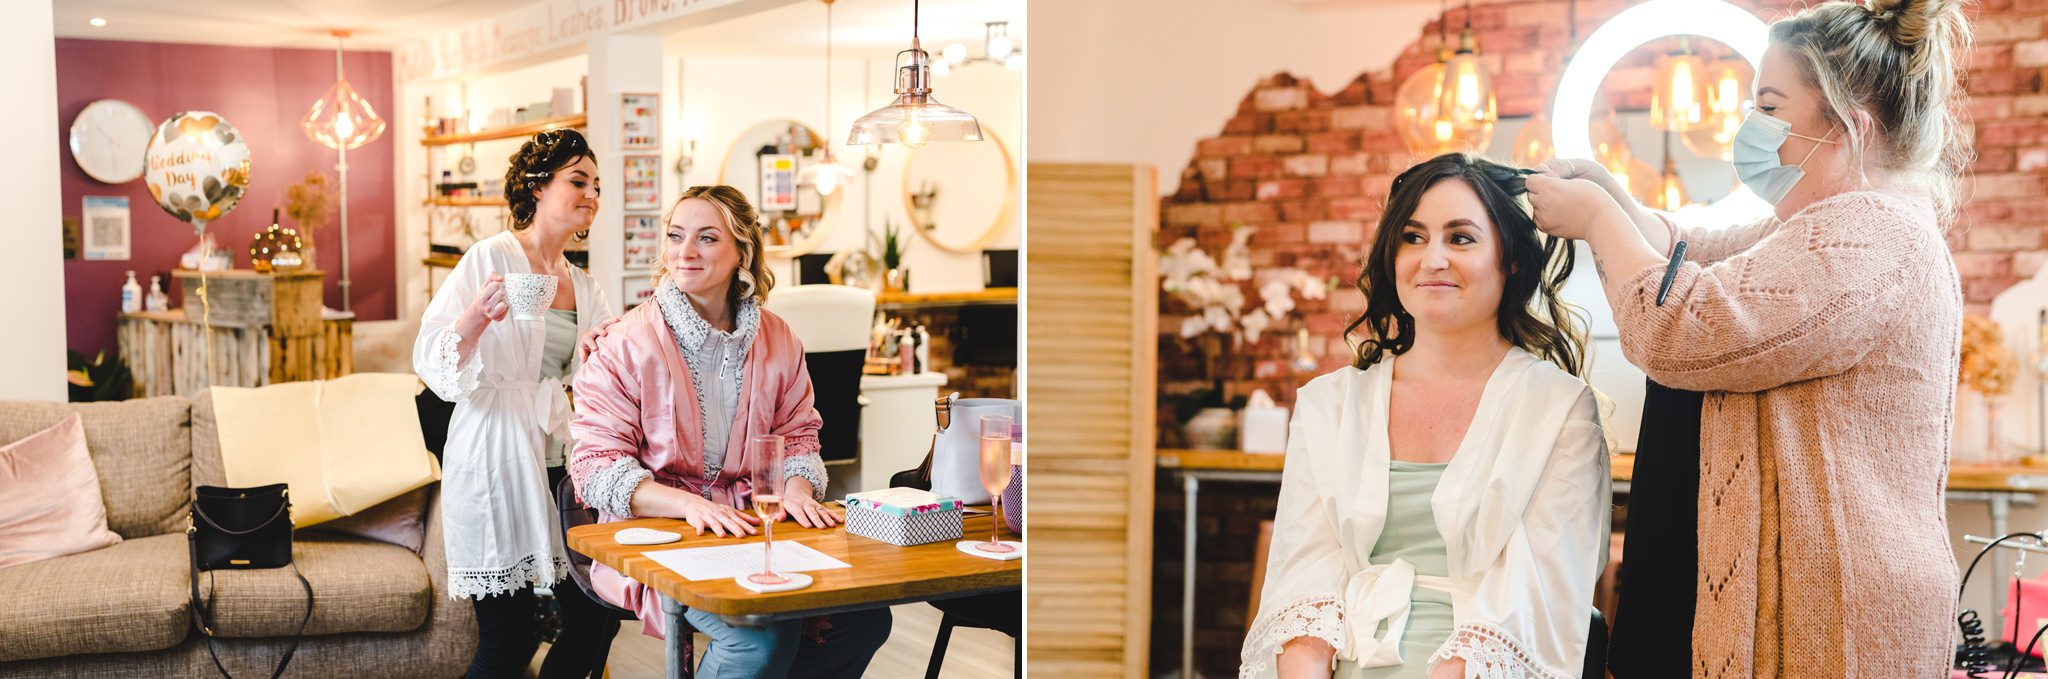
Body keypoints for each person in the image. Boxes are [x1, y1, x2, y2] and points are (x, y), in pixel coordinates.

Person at [1524, 0, 1971, 673]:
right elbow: (1698, 252)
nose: (1749, 128)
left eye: (1768, 105)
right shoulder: (1815, 229)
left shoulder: (1873, 234)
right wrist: (1616, 200)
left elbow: (1679, 326)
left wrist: (1594, 220)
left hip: (1831, 617)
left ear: (1848, 126)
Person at [1241, 153, 1610, 679]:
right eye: (1413, 237)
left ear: (1510, 261)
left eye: (1461, 238)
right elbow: (1303, 583)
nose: (1432, 259)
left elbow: (1535, 596)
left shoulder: (1558, 409)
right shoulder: (1329, 406)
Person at [568, 185, 890, 678]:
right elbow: (594, 469)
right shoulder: (623, 344)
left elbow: (800, 436)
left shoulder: (780, 338)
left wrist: (798, 487)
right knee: (758, 633)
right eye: (676, 236)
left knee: (864, 618)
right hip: (661, 536)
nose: (685, 252)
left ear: (743, 250)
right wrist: (690, 505)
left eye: (707, 238)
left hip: (756, 531)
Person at [410, 129, 620, 678]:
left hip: (562, 462)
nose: (591, 194)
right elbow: (431, 359)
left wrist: (602, 353)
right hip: (495, 454)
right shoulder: (491, 258)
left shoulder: (584, 284)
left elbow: (603, 376)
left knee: (597, 615)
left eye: (596, 184)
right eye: (578, 181)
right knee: (510, 636)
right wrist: (477, 316)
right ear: (536, 187)